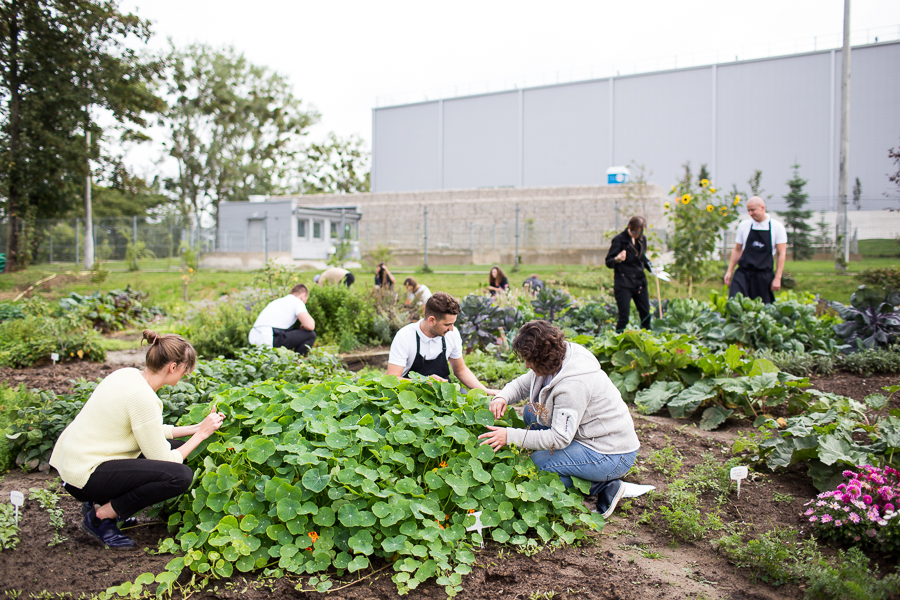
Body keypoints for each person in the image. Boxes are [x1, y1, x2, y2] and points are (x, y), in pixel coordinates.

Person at [49, 330, 225, 548]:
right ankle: (102, 516)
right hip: (84, 475)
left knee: (177, 447)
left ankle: (103, 503)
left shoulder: (128, 375)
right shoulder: (143, 398)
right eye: (185, 371)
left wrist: (195, 428)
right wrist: (202, 435)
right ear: (173, 367)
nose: (184, 376)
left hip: (76, 462)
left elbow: (147, 430)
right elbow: (167, 461)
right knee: (179, 476)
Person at [479, 320, 640, 518]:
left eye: (530, 360)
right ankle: (576, 468)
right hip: (586, 436)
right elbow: (522, 384)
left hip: (610, 452)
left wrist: (510, 435)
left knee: (537, 464)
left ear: (544, 356)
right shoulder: (557, 359)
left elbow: (559, 438)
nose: (527, 365)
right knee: (531, 411)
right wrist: (502, 396)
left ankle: (604, 485)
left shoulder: (573, 385)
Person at [387, 292, 498, 393]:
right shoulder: (405, 336)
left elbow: (460, 370)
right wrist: (423, 382)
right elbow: (392, 378)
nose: (451, 329)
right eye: (447, 324)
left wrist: (486, 391)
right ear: (432, 320)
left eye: (453, 323)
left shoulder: (452, 334)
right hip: (411, 394)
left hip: (444, 392)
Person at [724, 196, 788, 304]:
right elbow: (737, 250)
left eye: (753, 210)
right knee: (734, 303)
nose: (750, 213)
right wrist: (729, 271)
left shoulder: (777, 227)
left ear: (762, 208)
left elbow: (782, 254)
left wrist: (778, 277)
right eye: (748, 210)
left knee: (762, 308)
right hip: (743, 273)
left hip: (763, 275)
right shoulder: (744, 226)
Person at [605, 216, 653, 333]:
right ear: (629, 227)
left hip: (639, 282)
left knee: (646, 314)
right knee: (624, 316)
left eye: (640, 233)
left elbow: (642, 258)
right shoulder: (619, 240)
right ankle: (617, 342)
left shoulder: (642, 240)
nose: (637, 235)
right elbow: (608, 262)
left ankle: (648, 339)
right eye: (635, 232)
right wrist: (617, 259)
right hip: (624, 283)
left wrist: (652, 267)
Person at [248, 284, 317, 356]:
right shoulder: (297, 301)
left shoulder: (278, 301)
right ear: (303, 297)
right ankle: (297, 360)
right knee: (311, 334)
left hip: (254, 336)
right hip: (271, 337)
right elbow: (310, 326)